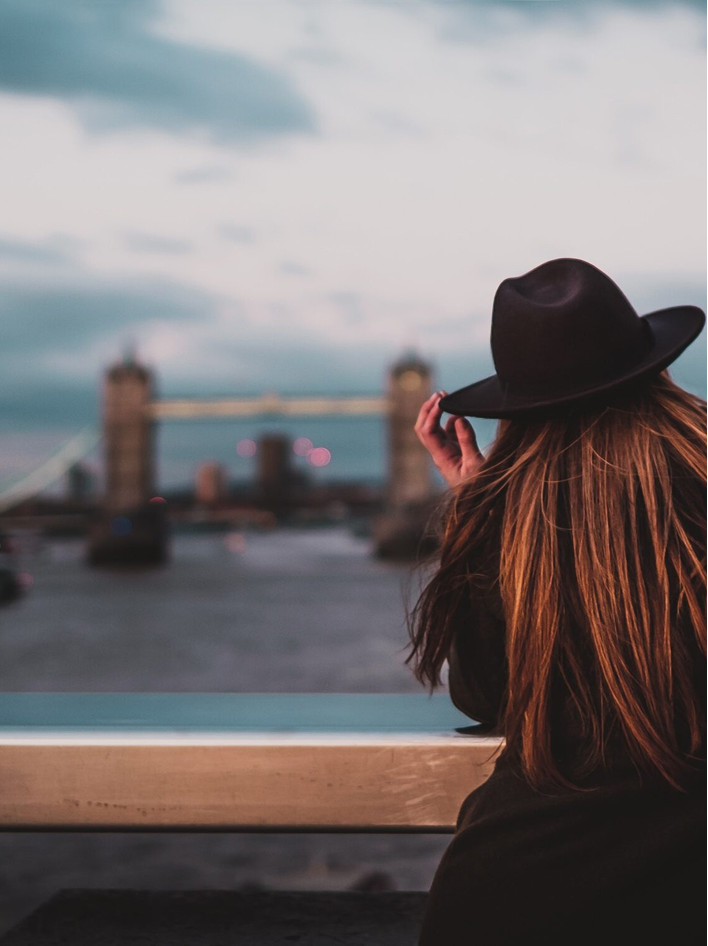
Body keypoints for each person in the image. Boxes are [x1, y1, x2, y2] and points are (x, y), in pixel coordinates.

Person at [410, 258, 706, 946]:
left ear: (518, 413)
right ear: (656, 370)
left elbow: (486, 696)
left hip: (511, 897)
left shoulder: (510, 524)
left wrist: (476, 510)